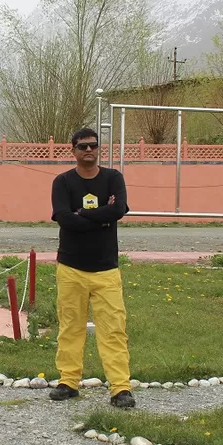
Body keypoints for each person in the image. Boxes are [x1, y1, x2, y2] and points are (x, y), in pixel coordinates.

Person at [48, 127, 135, 408]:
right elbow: (63, 218)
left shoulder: (113, 178)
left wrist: (82, 213)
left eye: (93, 146)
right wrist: (102, 217)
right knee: (70, 327)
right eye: (82, 146)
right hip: (71, 268)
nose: (89, 150)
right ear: (72, 150)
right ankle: (68, 382)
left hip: (106, 270)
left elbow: (119, 208)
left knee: (113, 330)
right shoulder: (62, 182)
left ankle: (120, 388)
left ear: (99, 149)